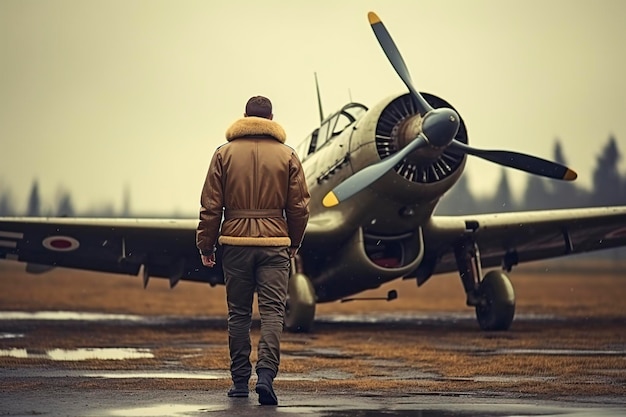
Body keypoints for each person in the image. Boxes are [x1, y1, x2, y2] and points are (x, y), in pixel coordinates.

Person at [196, 95, 310, 405]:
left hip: (234, 245)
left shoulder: (223, 154)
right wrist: (294, 242)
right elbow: (299, 208)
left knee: (239, 315)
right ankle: (267, 377)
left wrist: (206, 245)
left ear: (244, 117)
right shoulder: (288, 155)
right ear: (272, 118)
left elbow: (210, 206)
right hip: (275, 245)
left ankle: (238, 382)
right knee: (273, 313)